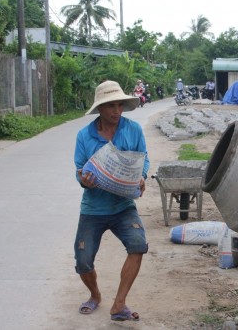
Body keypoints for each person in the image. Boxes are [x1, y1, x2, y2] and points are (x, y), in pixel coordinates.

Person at [74, 80, 149, 322]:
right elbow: (79, 170)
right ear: (100, 109)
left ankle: (119, 304)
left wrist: (142, 177)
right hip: (93, 208)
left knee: (138, 244)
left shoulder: (133, 130)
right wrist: (85, 180)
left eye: (119, 105)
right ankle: (95, 295)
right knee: (83, 261)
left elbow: (143, 160)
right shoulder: (84, 136)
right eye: (110, 106)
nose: (116, 111)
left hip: (123, 206)